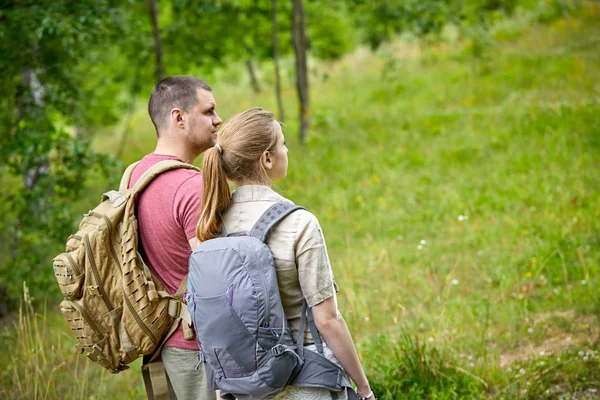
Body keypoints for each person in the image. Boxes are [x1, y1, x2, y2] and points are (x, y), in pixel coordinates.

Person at [196, 108, 375, 400]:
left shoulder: (213, 226)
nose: (287, 149)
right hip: (305, 376)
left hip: (241, 385)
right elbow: (327, 320)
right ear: (267, 158)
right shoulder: (298, 223)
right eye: (282, 143)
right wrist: (364, 389)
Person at [128, 75, 222, 400]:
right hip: (198, 347)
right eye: (208, 111)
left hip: (162, 341)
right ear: (179, 118)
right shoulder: (191, 186)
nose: (218, 119)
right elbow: (214, 283)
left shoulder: (136, 174)